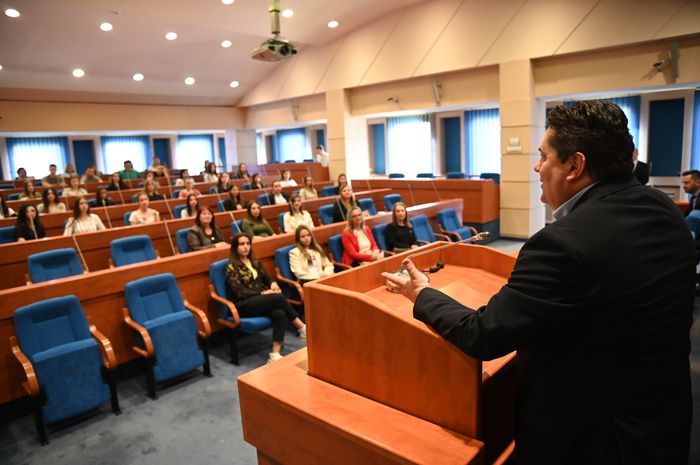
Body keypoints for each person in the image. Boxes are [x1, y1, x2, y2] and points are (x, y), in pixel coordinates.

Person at [383, 100, 695, 465]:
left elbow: (483, 334)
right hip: (662, 424)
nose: (536, 167)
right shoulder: (664, 209)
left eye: (543, 156)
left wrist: (421, 292)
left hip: (594, 442)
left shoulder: (563, 243)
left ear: (575, 165)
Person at [225, 232, 306, 363]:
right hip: (242, 305)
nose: (246, 247)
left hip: (257, 302)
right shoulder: (231, 267)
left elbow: (267, 278)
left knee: (279, 314)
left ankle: (274, 354)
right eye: (242, 244)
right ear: (235, 247)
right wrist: (263, 293)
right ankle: (301, 327)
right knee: (278, 298)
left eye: (248, 243)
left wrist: (273, 284)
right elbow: (240, 292)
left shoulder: (254, 262)